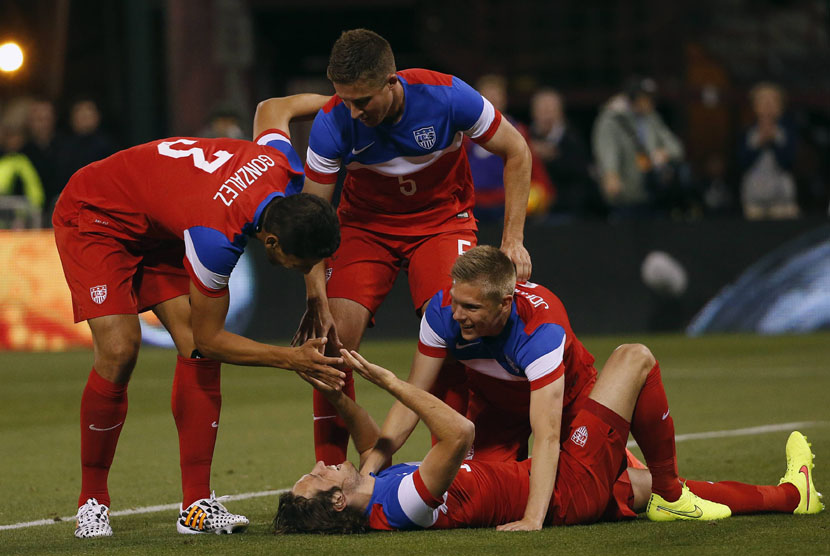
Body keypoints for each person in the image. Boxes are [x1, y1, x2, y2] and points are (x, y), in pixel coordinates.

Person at [53, 94, 346, 539]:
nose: (304, 271)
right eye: (300, 263)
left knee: (193, 350)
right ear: (270, 243)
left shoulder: (283, 166)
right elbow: (213, 339)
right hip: (98, 213)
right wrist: (292, 359)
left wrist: (343, 100)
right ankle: (92, 501)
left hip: (160, 222)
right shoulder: (214, 241)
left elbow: (271, 109)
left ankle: (196, 506)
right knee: (120, 349)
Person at [297, 29, 533, 465]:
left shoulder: (446, 96)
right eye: (344, 99)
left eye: (363, 100)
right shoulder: (333, 122)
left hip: (442, 222)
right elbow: (312, 219)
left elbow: (516, 150)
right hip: (365, 228)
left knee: (456, 326)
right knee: (331, 344)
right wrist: (316, 294)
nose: (353, 110)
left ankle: (456, 463)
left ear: (391, 81)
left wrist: (512, 240)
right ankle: (329, 467)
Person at [273, 346, 823, 533]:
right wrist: (392, 381)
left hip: (548, 476)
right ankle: (675, 495)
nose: (322, 466)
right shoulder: (406, 505)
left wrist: (340, 396)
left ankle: (795, 496)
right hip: (560, 488)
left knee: (641, 486)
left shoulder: (372, 493)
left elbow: (375, 444)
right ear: (337, 500)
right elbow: (458, 433)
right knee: (633, 359)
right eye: (316, 477)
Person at [360, 246, 644, 530]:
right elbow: (414, 397)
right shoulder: (442, 313)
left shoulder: (539, 330)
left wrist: (532, 519)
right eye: (456, 301)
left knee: (579, 484)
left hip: (565, 399)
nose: (457, 314)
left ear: (505, 303)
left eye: (470, 307)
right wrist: (368, 471)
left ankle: (639, 473)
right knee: (487, 485)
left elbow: (548, 435)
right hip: (499, 405)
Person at [592, 76, 686, 218]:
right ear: (634, 98)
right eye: (646, 98)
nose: (651, 102)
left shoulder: (651, 118)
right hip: (625, 193)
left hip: (651, 190)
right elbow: (607, 150)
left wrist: (664, 153)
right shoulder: (612, 118)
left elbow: (676, 148)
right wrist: (610, 173)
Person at [462, 74, 553, 221]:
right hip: (473, 204)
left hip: (505, 203)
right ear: (478, 100)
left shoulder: (518, 131)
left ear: (504, 99)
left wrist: (545, 190)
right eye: (488, 96)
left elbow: (532, 164)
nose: (493, 101)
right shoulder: (465, 133)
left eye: (497, 96)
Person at [528, 88, 603, 219]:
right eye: (542, 110)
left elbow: (582, 172)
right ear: (533, 112)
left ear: (561, 112)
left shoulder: (573, 138)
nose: (547, 115)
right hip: (532, 209)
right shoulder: (523, 138)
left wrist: (554, 157)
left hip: (566, 209)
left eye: (551, 110)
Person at [738, 82, 799, 220]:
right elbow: (742, 163)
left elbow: (789, 162)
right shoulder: (748, 132)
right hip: (754, 198)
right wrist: (759, 143)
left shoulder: (787, 131)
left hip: (782, 200)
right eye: (763, 101)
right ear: (755, 106)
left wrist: (773, 141)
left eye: (772, 101)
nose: (768, 106)